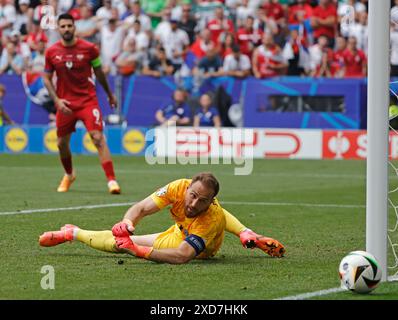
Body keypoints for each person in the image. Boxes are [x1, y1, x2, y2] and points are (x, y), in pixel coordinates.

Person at [39, 172, 286, 264]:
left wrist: (137, 251)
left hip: (199, 246)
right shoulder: (178, 187)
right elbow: (142, 207)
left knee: (121, 247)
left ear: (210, 201)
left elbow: (182, 256)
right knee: (121, 238)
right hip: (180, 230)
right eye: (192, 195)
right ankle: (71, 232)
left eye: (202, 200)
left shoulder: (210, 216)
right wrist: (128, 223)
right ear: (188, 187)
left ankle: (74, 232)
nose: (193, 203)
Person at [43, 13, 121, 194]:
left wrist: (109, 94)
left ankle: (112, 181)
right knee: (62, 143)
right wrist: (56, 100)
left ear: (74, 27)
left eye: (69, 26)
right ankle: (69, 175)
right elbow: (46, 78)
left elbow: (99, 72)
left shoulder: (89, 49)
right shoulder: (51, 52)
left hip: (87, 101)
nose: (66, 29)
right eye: (63, 26)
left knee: (98, 138)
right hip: (65, 104)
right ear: (58, 29)